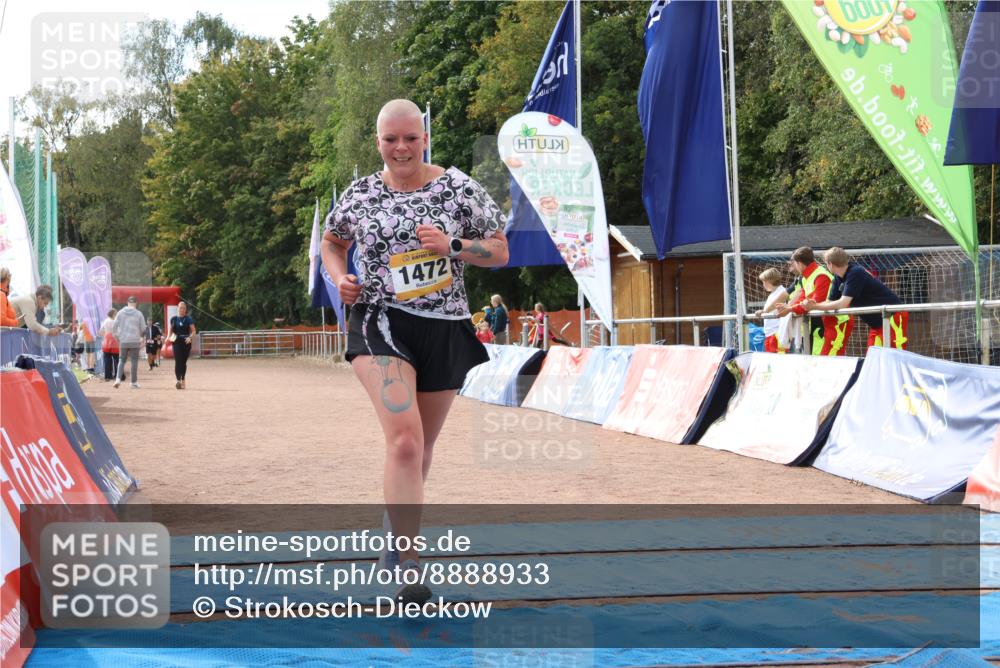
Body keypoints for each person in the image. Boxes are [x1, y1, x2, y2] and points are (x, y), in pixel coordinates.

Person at [320, 99, 508, 604]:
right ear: (377, 142)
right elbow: (332, 242)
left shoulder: (458, 188)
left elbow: (500, 250)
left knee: (420, 449)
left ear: (424, 137)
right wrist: (341, 279)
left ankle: (390, 535)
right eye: (390, 140)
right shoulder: (360, 193)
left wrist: (454, 247)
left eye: (410, 138)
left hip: (444, 326)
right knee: (403, 441)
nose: (400, 148)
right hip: (380, 321)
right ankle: (409, 567)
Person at [803, 247, 908, 350]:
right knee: (874, 358)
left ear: (830, 264)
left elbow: (843, 303)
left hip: (892, 316)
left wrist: (814, 306)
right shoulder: (838, 277)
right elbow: (829, 302)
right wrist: (814, 304)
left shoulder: (856, 272)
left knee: (895, 354)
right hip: (878, 323)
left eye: (826, 263)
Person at [775, 247, 852, 356]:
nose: (793, 265)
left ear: (800, 263)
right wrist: (788, 307)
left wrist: (790, 309)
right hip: (822, 325)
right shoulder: (807, 277)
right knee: (819, 360)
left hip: (837, 323)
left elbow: (812, 302)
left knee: (830, 361)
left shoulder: (820, 276)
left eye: (794, 262)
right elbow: (804, 298)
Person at [112, 296, 147, 389]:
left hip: (123, 340)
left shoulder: (120, 313)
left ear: (127, 303)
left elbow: (114, 327)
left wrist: (117, 337)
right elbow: (143, 328)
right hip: (135, 341)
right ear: (136, 303)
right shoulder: (139, 313)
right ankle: (133, 382)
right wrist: (141, 338)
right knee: (134, 361)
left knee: (121, 360)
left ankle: (118, 379)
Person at [755, 268, 789, 353]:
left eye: (764, 282)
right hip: (769, 333)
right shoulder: (772, 294)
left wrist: (764, 311)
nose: (763, 284)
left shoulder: (782, 291)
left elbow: (777, 303)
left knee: (778, 362)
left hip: (777, 333)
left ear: (769, 280)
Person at [170, 302, 196, 389]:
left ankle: (183, 379)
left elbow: (193, 331)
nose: (182, 310)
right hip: (176, 341)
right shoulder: (173, 319)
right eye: (180, 308)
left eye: (184, 308)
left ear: (186, 310)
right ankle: (178, 380)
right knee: (178, 360)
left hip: (186, 341)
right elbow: (171, 330)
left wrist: (190, 337)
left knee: (183, 362)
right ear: (177, 308)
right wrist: (167, 338)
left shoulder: (188, 319)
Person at [101, 310, 120, 382]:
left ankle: (107, 376)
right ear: (113, 314)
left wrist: (104, 336)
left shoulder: (105, 321)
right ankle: (117, 375)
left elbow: (101, 331)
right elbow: (118, 332)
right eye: (116, 314)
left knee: (107, 359)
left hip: (106, 341)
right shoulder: (115, 322)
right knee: (116, 359)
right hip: (114, 341)